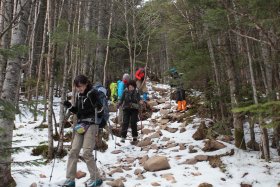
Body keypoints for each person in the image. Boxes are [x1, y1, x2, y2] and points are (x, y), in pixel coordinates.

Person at [63, 75, 103, 187]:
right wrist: (70, 107)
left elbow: (100, 110)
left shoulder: (93, 93)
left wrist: (98, 107)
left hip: (91, 124)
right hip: (81, 125)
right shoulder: (80, 95)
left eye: (80, 86)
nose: (79, 89)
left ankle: (96, 178)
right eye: (77, 87)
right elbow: (78, 112)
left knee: (86, 152)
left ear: (86, 83)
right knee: (73, 151)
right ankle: (70, 180)